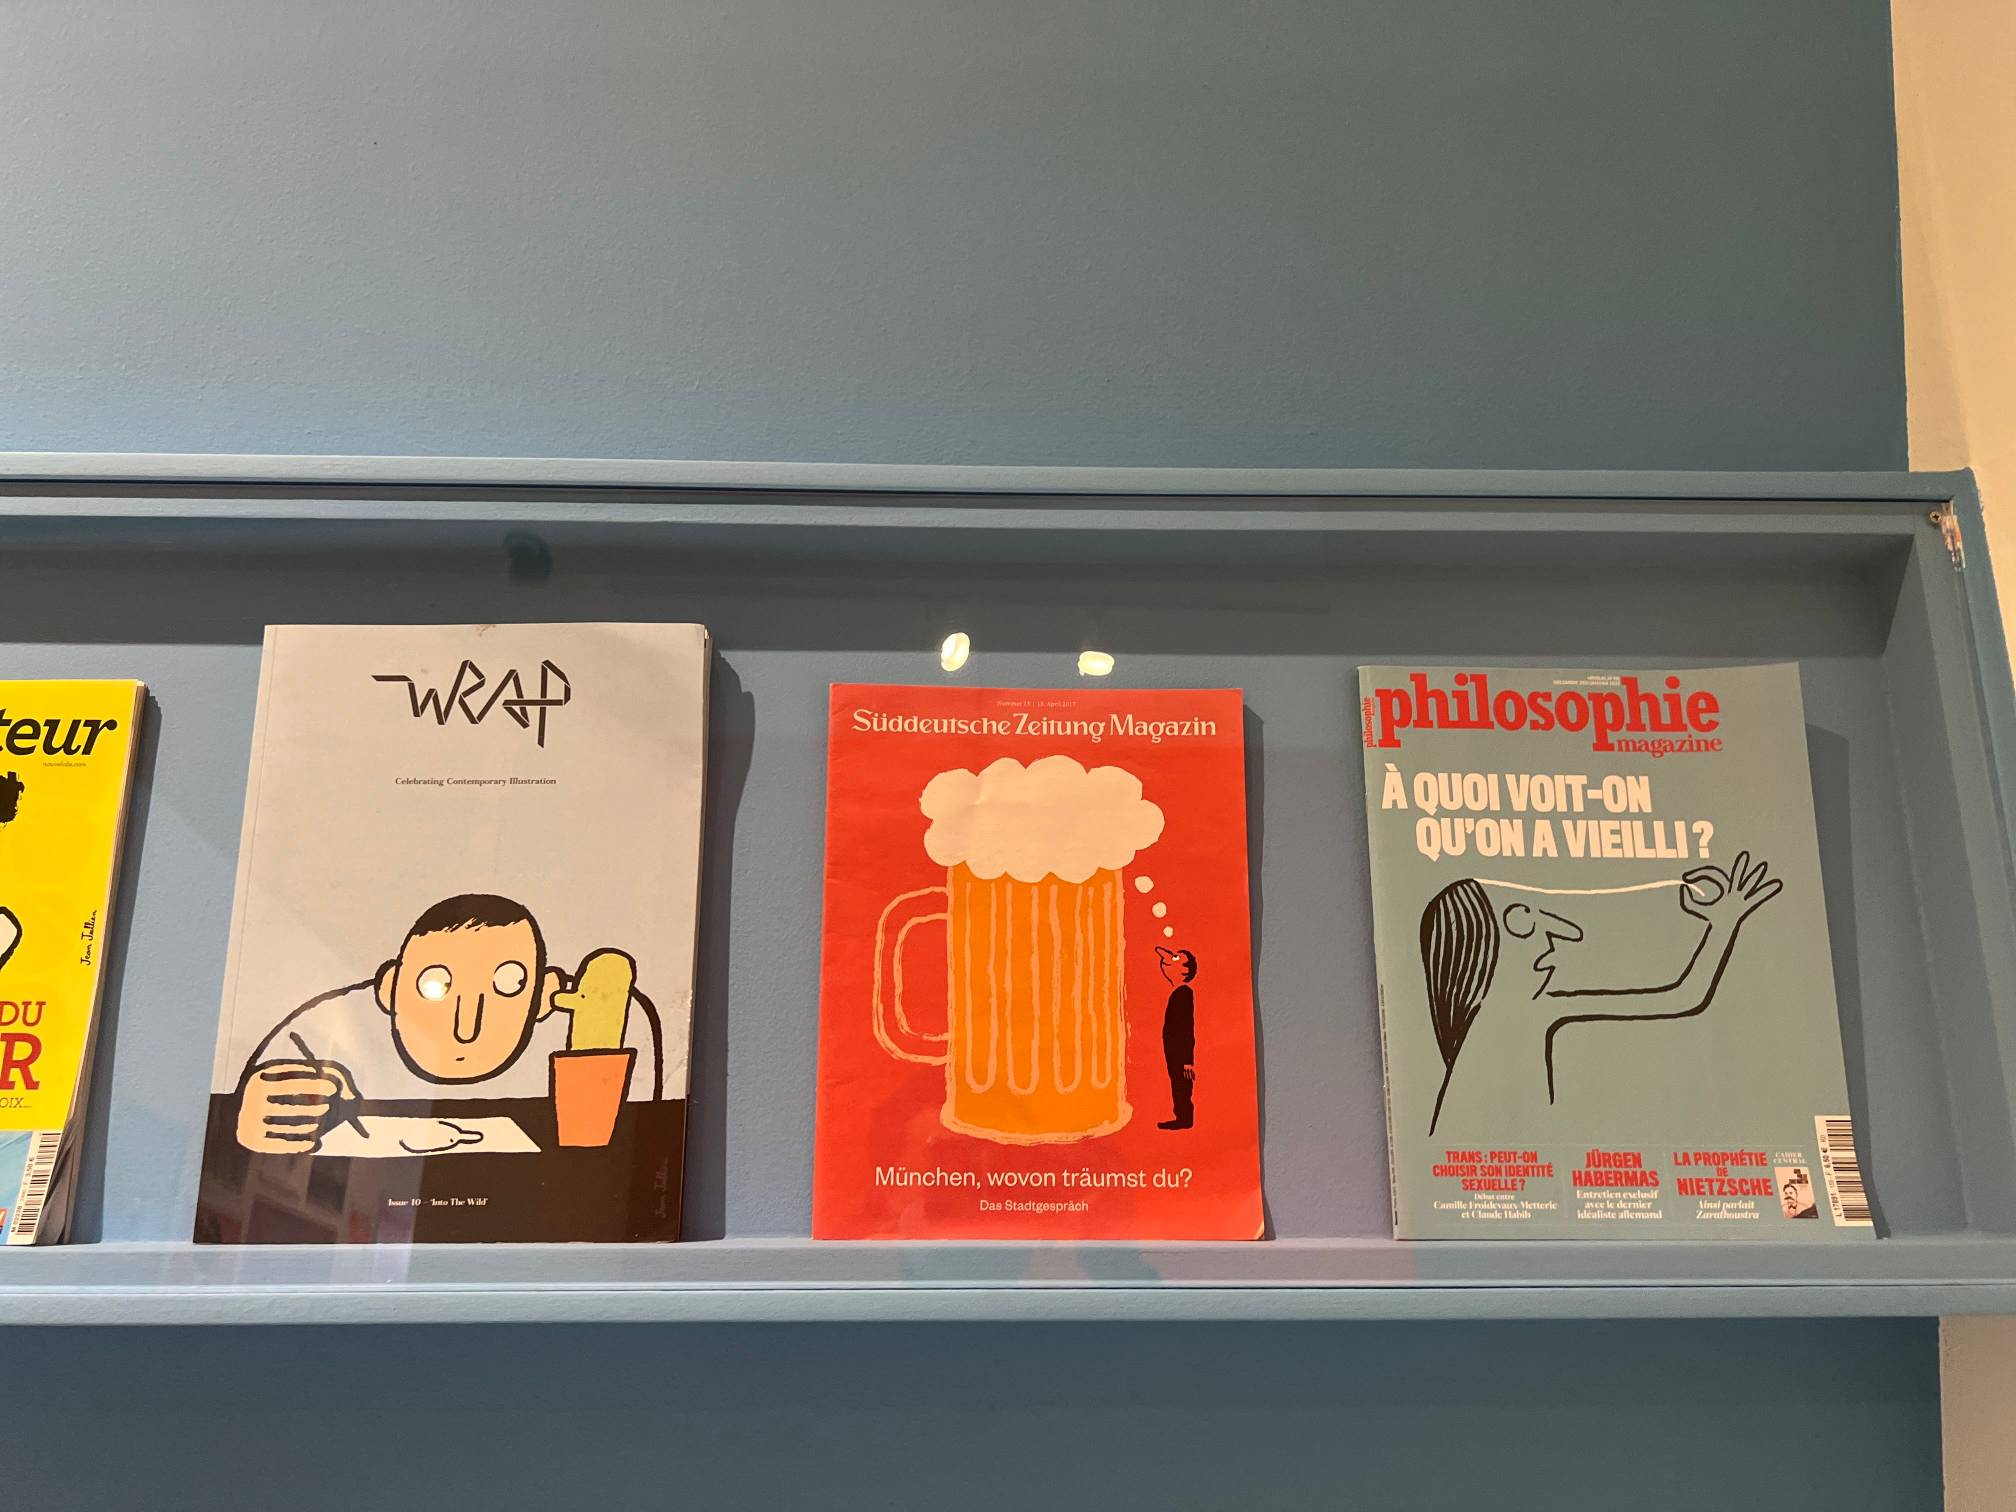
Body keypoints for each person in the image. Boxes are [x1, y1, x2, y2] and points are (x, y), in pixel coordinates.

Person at [233, 893, 660, 1152]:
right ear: (390, 988)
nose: (465, 1026)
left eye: (509, 984)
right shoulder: (322, 1027)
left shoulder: (602, 1024)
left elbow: (644, 1147)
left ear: (545, 994)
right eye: (434, 985)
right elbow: (252, 1118)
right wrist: (249, 1122)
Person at [1420, 852, 1783, 1135]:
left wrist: (1725, 924)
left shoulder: (1540, 1009)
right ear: (1473, 949)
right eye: (1522, 921)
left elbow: (1684, 996)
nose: (1556, 935)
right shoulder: (1506, 1027)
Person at [1155, 946, 1197, 1130]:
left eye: (1177, 958)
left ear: (1185, 971)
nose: (1170, 959)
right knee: (1177, 1082)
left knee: (1181, 1084)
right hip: (1174, 1052)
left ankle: (1184, 1118)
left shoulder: (1184, 994)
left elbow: (1187, 1028)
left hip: (1180, 1054)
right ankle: (1181, 1116)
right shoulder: (1177, 993)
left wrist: (1188, 1061)